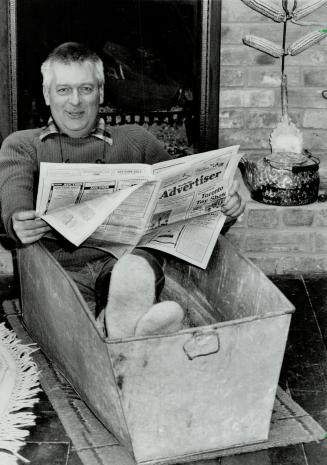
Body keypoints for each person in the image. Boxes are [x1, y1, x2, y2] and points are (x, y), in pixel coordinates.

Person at [0, 42, 245, 338]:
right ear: (47, 94)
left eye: (86, 89)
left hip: (123, 261)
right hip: (60, 267)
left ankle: (118, 319)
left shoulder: (136, 140)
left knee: (135, 265)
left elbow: (182, 200)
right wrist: (18, 219)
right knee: (74, 319)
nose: (75, 101)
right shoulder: (23, 144)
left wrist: (223, 207)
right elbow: (14, 187)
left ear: (101, 93)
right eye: (64, 90)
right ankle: (124, 328)